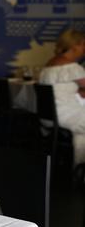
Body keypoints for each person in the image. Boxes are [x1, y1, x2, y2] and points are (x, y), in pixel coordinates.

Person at [39, 29, 85, 164]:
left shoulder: (49, 65)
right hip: (66, 116)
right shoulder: (72, 67)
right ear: (74, 45)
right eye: (83, 44)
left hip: (48, 116)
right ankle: (80, 172)